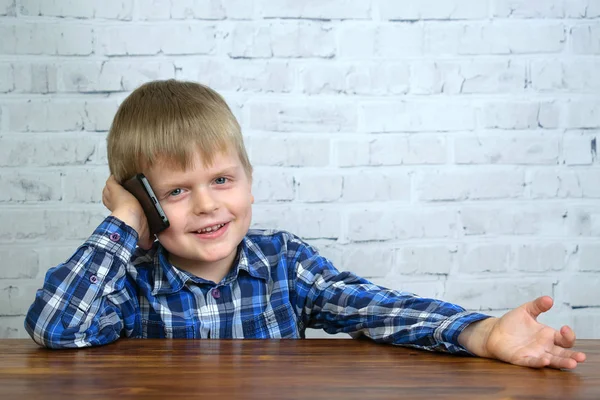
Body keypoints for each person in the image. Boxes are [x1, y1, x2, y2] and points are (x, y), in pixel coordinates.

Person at [25, 80, 586, 370]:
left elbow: (372, 306)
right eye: (174, 191)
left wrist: (480, 332)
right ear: (144, 201)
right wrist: (123, 222)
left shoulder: (283, 263)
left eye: (222, 180)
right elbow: (54, 328)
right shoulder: (130, 282)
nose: (206, 205)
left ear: (248, 178)